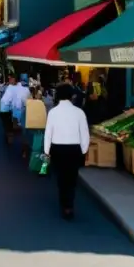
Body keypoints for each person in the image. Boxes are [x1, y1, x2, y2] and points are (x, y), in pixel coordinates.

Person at [43, 83, 90, 221]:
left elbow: (48, 133)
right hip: (74, 149)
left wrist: (47, 151)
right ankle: (69, 205)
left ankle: (64, 204)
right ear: (72, 96)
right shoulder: (79, 112)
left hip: (57, 148)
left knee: (61, 178)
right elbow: (85, 134)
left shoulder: (53, 112)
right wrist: (83, 150)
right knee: (72, 178)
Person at [0, 75, 19, 145]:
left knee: (8, 123)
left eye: (12, 79)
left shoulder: (15, 88)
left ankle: (9, 134)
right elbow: (1, 92)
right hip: (5, 109)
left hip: (9, 109)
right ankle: (8, 134)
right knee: (7, 122)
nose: (10, 80)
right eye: (10, 79)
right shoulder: (7, 87)